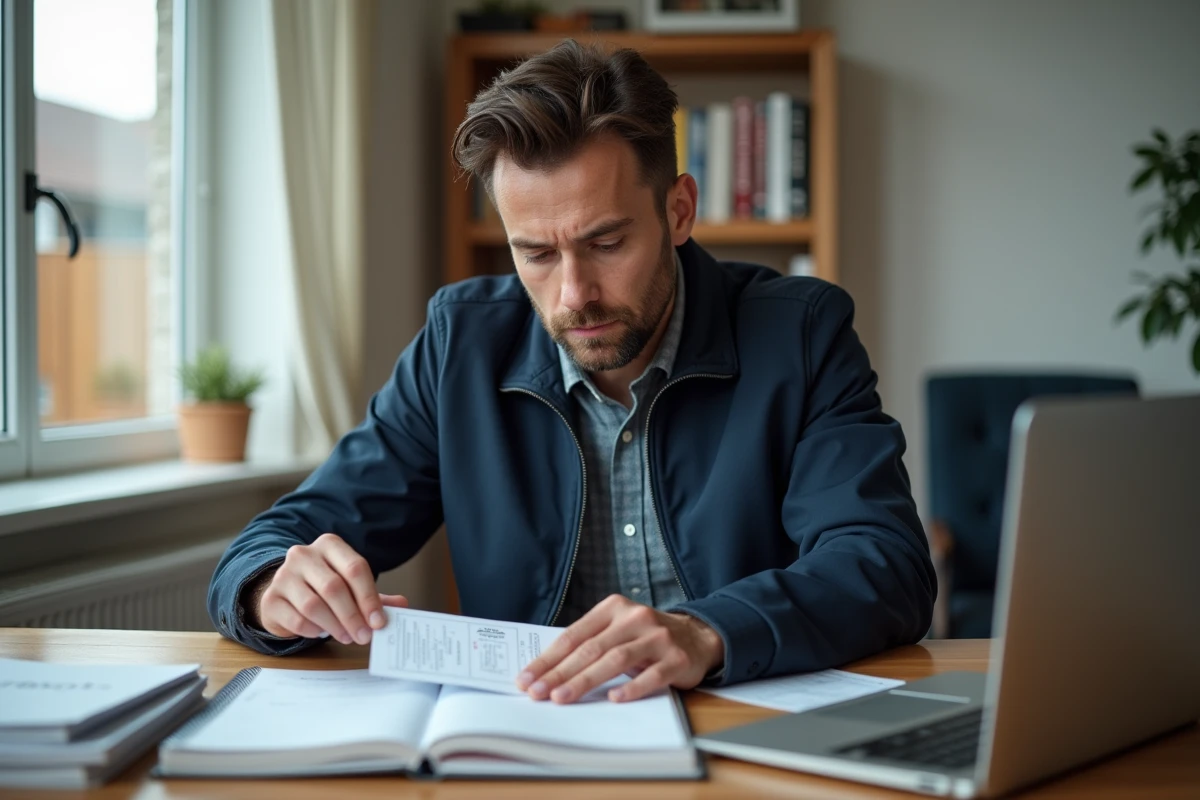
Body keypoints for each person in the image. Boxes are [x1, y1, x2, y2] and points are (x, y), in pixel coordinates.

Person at [208, 40, 935, 706]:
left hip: (738, 727)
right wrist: (272, 587)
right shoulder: (459, 346)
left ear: (680, 211)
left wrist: (706, 632)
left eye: (607, 243)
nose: (572, 295)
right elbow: (273, 542)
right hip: (525, 737)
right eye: (536, 254)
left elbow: (885, 563)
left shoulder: (801, 334)